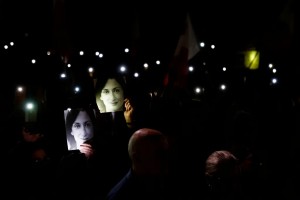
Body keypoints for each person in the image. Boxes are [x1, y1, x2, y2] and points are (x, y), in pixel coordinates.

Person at [106, 128, 178, 200]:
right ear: (137, 158)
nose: (165, 158)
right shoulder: (120, 196)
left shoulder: (162, 184)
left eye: (166, 153)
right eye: (158, 154)